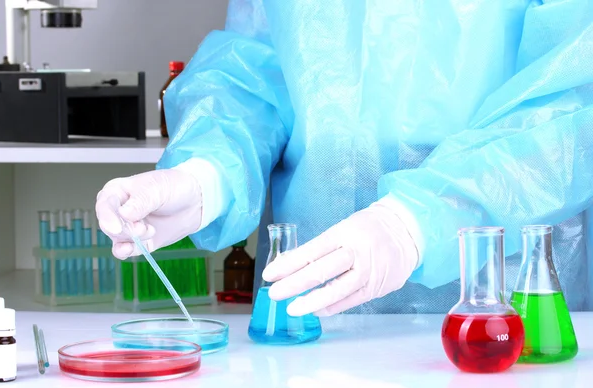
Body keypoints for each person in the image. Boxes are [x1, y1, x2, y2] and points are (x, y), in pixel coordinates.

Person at [96, 0, 593, 316]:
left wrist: (419, 220)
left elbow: (572, 102)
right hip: (313, 313)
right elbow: (257, 73)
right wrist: (208, 173)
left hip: (507, 317)